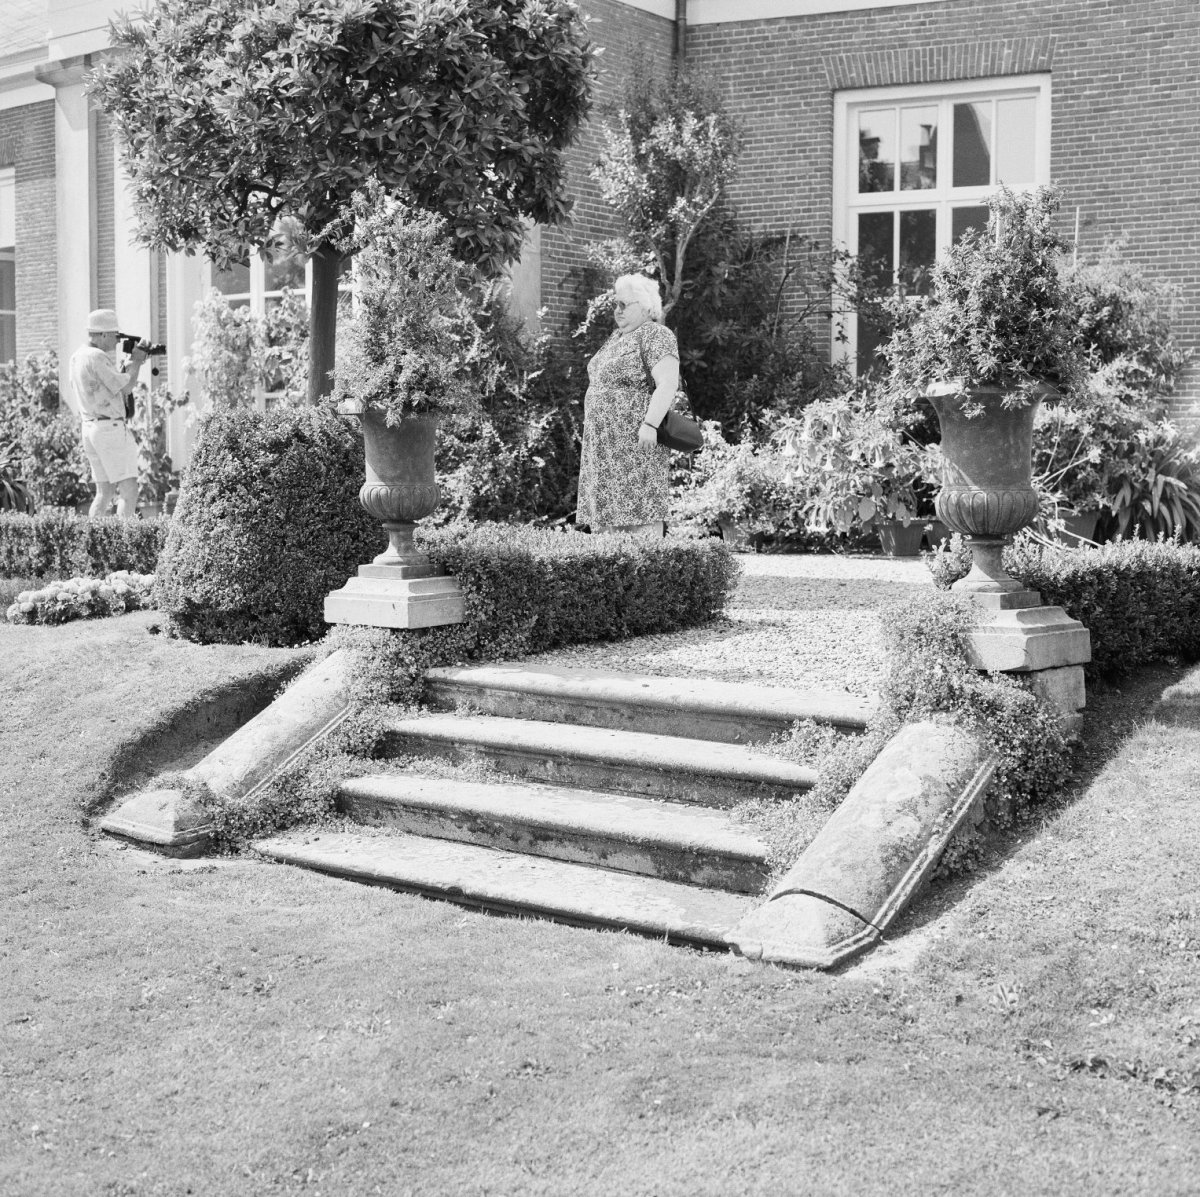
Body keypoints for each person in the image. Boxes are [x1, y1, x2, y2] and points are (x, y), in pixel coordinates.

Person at [576, 273, 680, 536]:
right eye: (616, 304)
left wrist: (650, 424)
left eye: (624, 304)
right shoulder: (617, 337)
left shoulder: (655, 335)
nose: (617, 310)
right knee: (607, 518)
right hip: (604, 448)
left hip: (634, 442)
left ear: (646, 306)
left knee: (638, 514)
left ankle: (644, 562)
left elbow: (667, 383)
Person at [70, 309, 148, 518]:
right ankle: (124, 537)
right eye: (115, 335)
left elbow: (104, 386)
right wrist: (136, 361)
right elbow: (126, 387)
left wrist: (126, 366)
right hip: (110, 428)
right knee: (129, 491)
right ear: (103, 334)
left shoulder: (77, 356)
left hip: (90, 426)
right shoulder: (97, 356)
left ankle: (93, 537)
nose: (117, 341)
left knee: (104, 492)